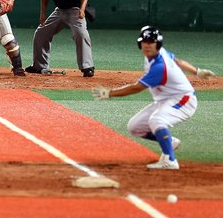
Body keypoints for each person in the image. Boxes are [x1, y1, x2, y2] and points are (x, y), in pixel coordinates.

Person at [92, 26, 216, 169]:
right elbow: (177, 60)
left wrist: (109, 93)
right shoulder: (157, 54)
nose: (147, 44)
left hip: (183, 100)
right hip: (166, 100)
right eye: (144, 41)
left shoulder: (159, 66)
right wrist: (197, 71)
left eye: (151, 42)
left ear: (158, 44)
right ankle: (170, 142)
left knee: (157, 120)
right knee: (135, 127)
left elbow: (137, 87)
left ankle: (170, 160)